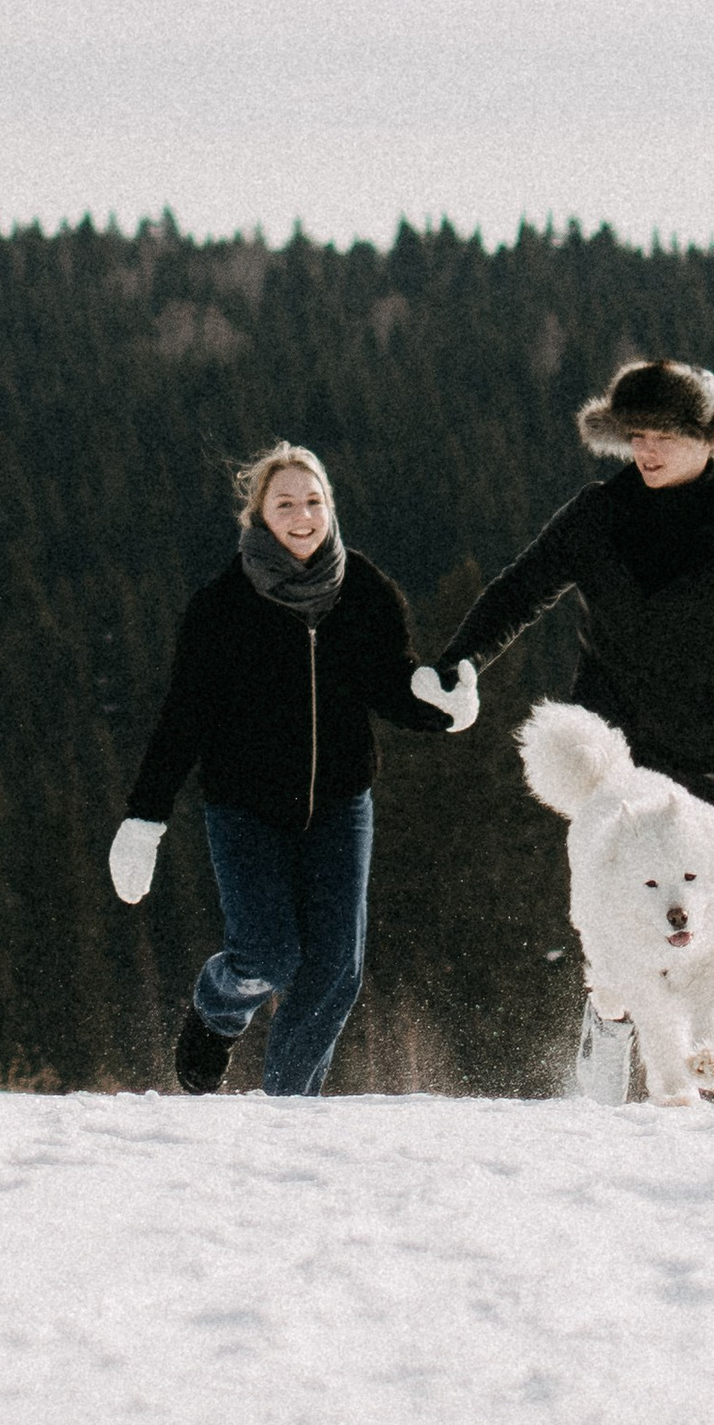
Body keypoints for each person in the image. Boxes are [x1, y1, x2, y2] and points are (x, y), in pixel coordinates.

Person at [433, 358, 714, 1098]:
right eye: (635, 435)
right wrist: (460, 658)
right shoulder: (595, 515)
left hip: (707, 764)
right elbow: (520, 588)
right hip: (613, 768)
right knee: (624, 936)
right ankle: (612, 1012)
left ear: (712, 438)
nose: (646, 450)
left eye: (664, 434)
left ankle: (699, 1060)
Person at [108, 443, 478, 1097]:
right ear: (259, 514)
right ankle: (217, 1006)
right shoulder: (222, 606)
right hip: (244, 809)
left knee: (335, 967)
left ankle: (285, 1114)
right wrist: (145, 818)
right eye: (286, 503)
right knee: (267, 954)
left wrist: (442, 708)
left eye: (314, 501)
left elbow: (390, 685)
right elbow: (183, 718)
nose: (302, 515)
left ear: (329, 507)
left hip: (340, 803)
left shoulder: (364, 590)